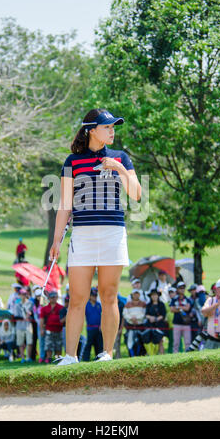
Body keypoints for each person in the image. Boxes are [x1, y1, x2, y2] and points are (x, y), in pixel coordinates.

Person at [50, 109, 141, 366]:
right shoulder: (73, 161)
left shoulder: (121, 158)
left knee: (109, 295)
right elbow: (65, 205)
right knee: (77, 298)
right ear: (92, 130)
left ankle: (107, 354)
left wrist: (120, 169)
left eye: (113, 127)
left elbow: (136, 195)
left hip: (113, 233)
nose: (112, 131)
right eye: (107, 127)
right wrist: (56, 241)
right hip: (83, 235)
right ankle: (70, 357)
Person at [39, 291, 64, 364]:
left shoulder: (61, 308)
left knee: (58, 345)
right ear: (49, 298)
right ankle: (48, 358)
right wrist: (41, 330)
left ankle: (58, 358)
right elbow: (41, 320)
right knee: (48, 345)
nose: (53, 299)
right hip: (49, 329)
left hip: (58, 329)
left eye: (55, 297)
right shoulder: (44, 309)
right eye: (52, 297)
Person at [141, 289, 168, 355]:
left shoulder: (161, 304)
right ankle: (151, 354)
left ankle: (162, 354)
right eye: (153, 295)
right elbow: (146, 314)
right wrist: (150, 318)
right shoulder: (149, 305)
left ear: (158, 296)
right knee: (150, 340)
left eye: (155, 295)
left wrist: (156, 319)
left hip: (159, 325)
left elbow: (163, 315)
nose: (154, 296)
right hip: (150, 325)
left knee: (160, 341)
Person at [123, 289, 146, 357]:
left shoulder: (143, 304)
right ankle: (132, 355)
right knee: (130, 342)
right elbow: (125, 314)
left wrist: (136, 318)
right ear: (132, 295)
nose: (136, 295)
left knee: (140, 342)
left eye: (137, 294)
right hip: (130, 326)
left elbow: (143, 314)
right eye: (134, 294)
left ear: (139, 295)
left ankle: (139, 355)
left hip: (140, 326)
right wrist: (131, 318)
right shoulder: (128, 304)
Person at [170, 282, 192, 353]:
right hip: (177, 323)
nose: (182, 290)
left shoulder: (187, 299)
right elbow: (171, 309)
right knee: (176, 343)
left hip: (186, 324)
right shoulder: (174, 299)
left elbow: (187, 308)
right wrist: (182, 308)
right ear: (177, 289)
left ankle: (187, 357)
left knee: (187, 343)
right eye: (180, 288)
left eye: (183, 288)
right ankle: (175, 358)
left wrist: (178, 307)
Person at [82, 288, 103, 362]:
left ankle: (98, 358)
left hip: (98, 328)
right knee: (89, 344)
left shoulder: (99, 305)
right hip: (90, 328)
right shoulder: (86, 305)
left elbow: (102, 315)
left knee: (99, 344)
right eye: (93, 296)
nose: (94, 297)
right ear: (90, 296)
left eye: (95, 296)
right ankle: (85, 359)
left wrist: (101, 325)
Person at [14, 288, 34, 363]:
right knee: (20, 343)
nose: (23, 296)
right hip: (20, 325)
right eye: (22, 294)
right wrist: (24, 317)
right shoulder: (17, 305)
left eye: (25, 294)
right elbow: (16, 316)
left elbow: (33, 313)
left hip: (28, 325)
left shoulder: (30, 303)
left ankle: (28, 357)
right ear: (19, 295)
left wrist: (30, 315)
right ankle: (22, 357)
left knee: (29, 342)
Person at [113, 293, 126, 359]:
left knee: (117, 343)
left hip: (118, 327)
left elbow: (123, 317)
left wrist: (121, 328)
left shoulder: (121, 304)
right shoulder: (110, 304)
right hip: (111, 327)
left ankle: (117, 357)